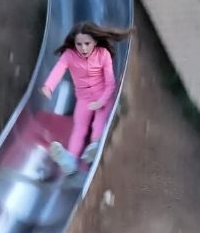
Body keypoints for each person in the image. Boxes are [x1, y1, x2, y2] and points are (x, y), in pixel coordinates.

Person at [41, 21, 133, 175]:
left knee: (99, 122)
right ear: (74, 43)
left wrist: (100, 102)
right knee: (79, 127)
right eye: (79, 44)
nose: (83, 48)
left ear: (95, 42)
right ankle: (70, 160)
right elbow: (58, 70)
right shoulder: (69, 55)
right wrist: (48, 86)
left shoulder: (103, 54)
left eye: (87, 44)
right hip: (83, 99)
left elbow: (110, 84)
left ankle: (95, 146)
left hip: (103, 96)